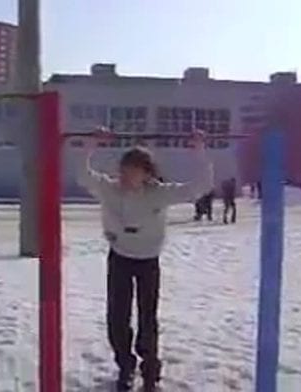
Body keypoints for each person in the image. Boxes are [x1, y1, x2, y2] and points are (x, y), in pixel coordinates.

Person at [77, 129, 213, 392]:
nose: (127, 177)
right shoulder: (109, 189)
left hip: (148, 261)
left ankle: (150, 369)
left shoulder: (158, 193)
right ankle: (125, 366)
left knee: (147, 317)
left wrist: (199, 153)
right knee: (117, 317)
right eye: (124, 170)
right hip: (120, 258)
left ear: (147, 174)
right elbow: (83, 175)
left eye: (134, 172)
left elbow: (199, 187)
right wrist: (90, 146)